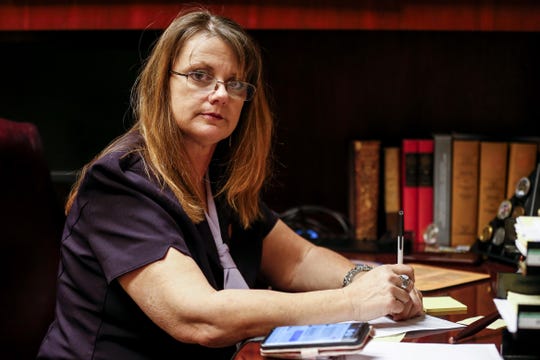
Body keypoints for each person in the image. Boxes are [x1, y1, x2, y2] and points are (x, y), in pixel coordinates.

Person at [37, 8, 423, 359]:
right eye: (200, 75)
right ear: (162, 83)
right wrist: (354, 302)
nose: (220, 94)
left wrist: (365, 278)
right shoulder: (120, 184)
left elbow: (296, 260)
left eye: (235, 83)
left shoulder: (218, 175)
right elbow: (199, 317)